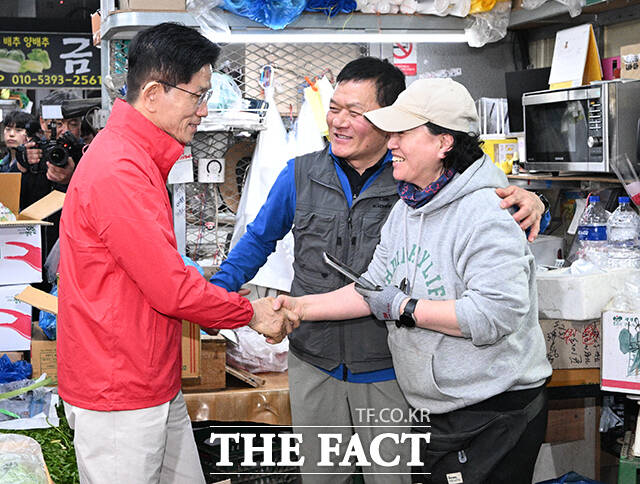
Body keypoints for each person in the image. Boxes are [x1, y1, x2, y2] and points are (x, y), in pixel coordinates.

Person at [210, 57, 548, 483]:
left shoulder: (446, 194)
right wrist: (256, 302)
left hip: (424, 382)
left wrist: (536, 203)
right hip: (330, 360)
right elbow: (366, 286)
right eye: (334, 108)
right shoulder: (366, 189)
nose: (340, 121)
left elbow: (491, 296)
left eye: (356, 113)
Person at [57, 22, 299, 484]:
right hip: (120, 391)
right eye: (197, 96)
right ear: (153, 94)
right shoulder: (120, 169)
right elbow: (169, 288)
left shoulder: (136, 157)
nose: (204, 110)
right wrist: (249, 313)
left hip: (148, 377)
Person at [1, 110, 35, 174]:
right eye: (8, 129)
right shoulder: (3, 163)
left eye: (18, 130)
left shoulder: (33, 163)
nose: (11, 134)